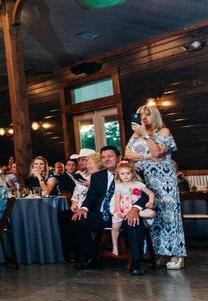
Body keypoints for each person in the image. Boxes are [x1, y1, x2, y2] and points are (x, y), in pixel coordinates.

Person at [125, 104, 186, 270]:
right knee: (152, 217)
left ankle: (176, 254)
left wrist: (146, 136)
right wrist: (147, 155)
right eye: (141, 115)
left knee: (169, 217)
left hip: (164, 181)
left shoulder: (163, 132)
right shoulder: (134, 135)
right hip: (145, 180)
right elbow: (127, 154)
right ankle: (159, 252)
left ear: (155, 116)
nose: (144, 118)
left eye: (148, 115)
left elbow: (159, 152)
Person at [70, 146, 149, 274]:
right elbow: (91, 196)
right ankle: (91, 258)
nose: (106, 159)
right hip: (103, 215)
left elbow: (145, 194)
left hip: (124, 214)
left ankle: (136, 262)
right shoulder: (97, 176)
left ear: (118, 158)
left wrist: (135, 208)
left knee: (135, 221)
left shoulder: (131, 173)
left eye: (110, 156)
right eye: (103, 157)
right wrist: (83, 208)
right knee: (78, 220)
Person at [110, 161, 156, 256]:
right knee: (115, 227)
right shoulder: (119, 186)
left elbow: (151, 193)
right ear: (119, 175)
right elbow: (117, 199)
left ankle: (135, 215)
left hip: (135, 209)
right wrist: (118, 210)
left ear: (132, 174)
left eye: (128, 173)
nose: (125, 176)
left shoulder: (138, 184)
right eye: (122, 174)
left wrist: (150, 202)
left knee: (151, 213)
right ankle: (115, 245)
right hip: (123, 209)